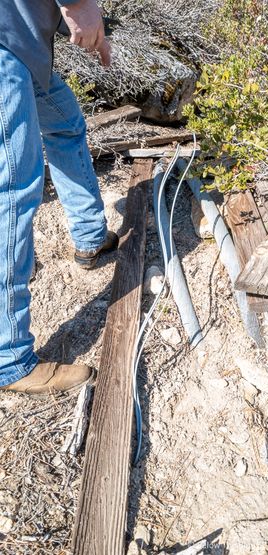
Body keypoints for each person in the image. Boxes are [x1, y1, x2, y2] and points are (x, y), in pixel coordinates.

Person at [0, 0, 118, 395]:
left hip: (19, 47)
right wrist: (81, 5)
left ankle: (90, 236)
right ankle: (10, 359)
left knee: (65, 121)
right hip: (4, 46)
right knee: (14, 190)